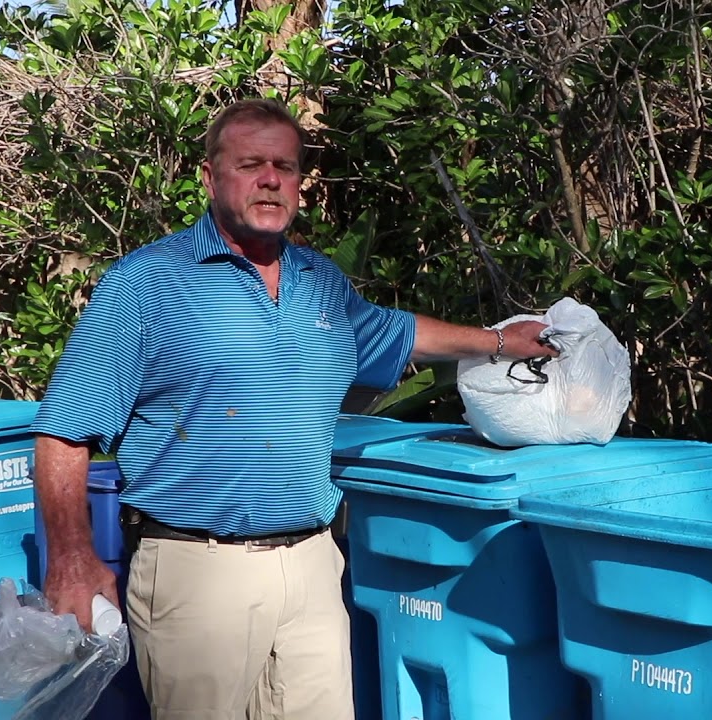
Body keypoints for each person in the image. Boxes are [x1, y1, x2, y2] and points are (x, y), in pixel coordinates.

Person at [31, 98, 557, 720]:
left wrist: (499, 342)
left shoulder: (320, 281)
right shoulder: (148, 283)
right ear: (209, 177)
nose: (270, 180)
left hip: (312, 566)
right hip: (198, 573)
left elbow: (396, 333)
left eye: (285, 166)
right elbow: (64, 431)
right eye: (250, 164)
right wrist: (72, 560)